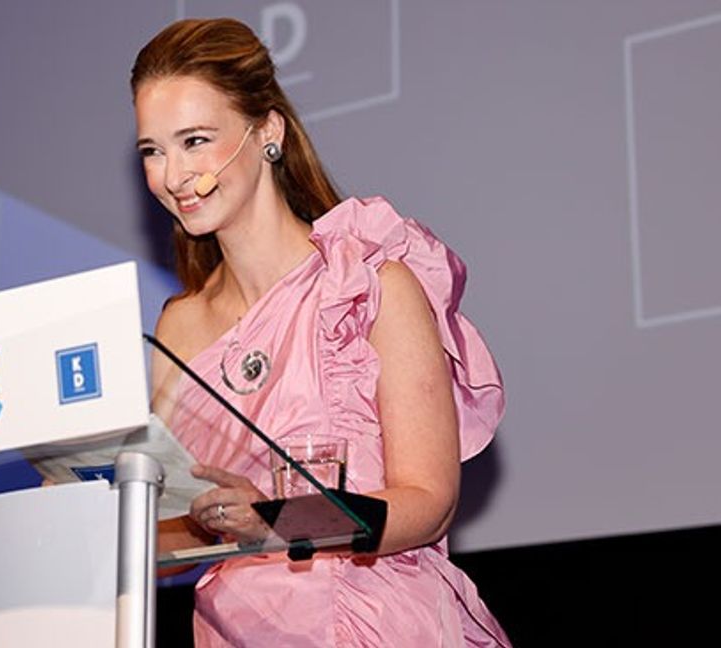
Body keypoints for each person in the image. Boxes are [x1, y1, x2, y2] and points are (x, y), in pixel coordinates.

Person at [134, 18, 512, 647]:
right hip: (238, 629)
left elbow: (430, 501)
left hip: (376, 621)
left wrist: (277, 522)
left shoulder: (370, 280)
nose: (173, 175)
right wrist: (90, 502)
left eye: (195, 140)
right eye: (152, 150)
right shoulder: (181, 324)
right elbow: (182, 526)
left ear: (268, 132)